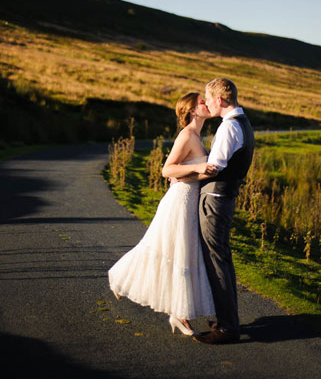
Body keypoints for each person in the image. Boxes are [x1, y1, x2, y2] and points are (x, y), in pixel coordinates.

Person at [108, 92, 218, 335]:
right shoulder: (187, 135)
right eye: (202, 102)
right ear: (191, 110)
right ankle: (119, 277)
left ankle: (178, 314)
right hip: (179, 202)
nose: (207, 104)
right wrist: (200, 166)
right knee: (161, 250)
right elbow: (167, 169)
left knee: (182, 255)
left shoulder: (198, 136)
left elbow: (184, 174)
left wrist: (204, 174)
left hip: (189, 201)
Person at [194, 78, 254, 345]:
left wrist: (181, 173)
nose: (205, 103)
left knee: (217, 260)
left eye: (208, 98)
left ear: (220, 100)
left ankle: (228, 327)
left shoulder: (230, 127)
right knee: (222, 260)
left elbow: (214, 167)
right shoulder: (243, 123)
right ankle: (226, 319)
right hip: (223, 198)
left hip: (216, 199)